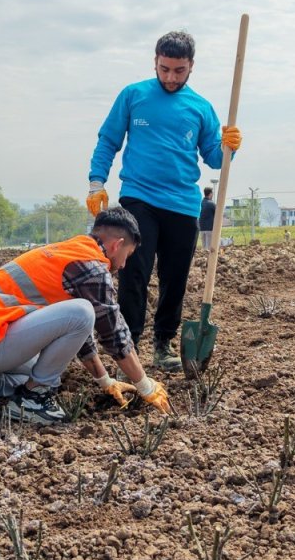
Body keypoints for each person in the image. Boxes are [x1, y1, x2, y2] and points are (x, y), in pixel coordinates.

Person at [86, 31, 243, 372]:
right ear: (155, 62)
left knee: (176, 277)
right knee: (133, 273)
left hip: (183, 204)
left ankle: (164, 342)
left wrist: (229, 146)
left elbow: (215, 160)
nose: (171, 77)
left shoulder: (201, 107)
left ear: (191, 67)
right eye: (165, 69)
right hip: (138, 197)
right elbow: (108, 139)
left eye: (179, 70)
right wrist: (96, 182)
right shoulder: (133, 95)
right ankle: (128, 345)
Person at [0, 208, 172, 425]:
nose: (123, 265)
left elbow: (78, 337)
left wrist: (105, 381)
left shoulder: (70, 253)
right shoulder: (92, 267)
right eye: (127, 255)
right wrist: (145, 385)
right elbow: (113, 333)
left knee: (50, 372)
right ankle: (32, 400)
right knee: (81, 314)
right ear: (117, 245)